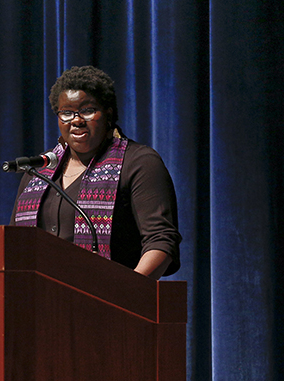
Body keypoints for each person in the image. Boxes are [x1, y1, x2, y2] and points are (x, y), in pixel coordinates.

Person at [10, 65, 181, 279]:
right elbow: (15, 245)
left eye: (88, 110)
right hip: (41, 302)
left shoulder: (139, 162)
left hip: (111, 301)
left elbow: (161, 240)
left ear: (108, 113)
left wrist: (130, 292)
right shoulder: (40, 170)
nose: (76, 121)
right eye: (66, 113)